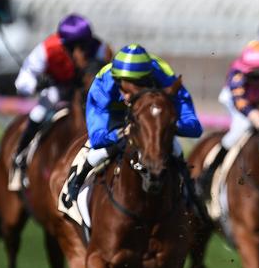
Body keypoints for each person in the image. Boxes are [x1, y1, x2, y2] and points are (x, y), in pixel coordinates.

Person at [62, 44, 202, 208]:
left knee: (175, 149)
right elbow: (98, 138)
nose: (129, 94)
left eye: (137, 85)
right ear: (116, 79)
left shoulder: (165, 77)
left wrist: (164, 126)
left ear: (148, 79)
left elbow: (194, 127)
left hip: (147, 115)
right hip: (114, 115)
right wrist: (120, 133)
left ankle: (189, 192)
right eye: (125, 86)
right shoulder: (102, 86)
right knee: (97, 152)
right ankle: (77, 182)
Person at [13, 13, 112, 179]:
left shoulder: (99, 48)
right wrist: (37, 84)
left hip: (87, 91)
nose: (82, 51)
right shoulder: (47, 49)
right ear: (65, 44)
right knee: (40, 112)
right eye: (75, 46)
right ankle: (20, 154)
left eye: (84, 45)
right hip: (58, 89)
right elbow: (22, 81)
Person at [198, 40, 259, 194]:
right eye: (254, 76)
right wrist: (251, 113)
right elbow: (239, 100)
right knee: (239, 130)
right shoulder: (237, 74)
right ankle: (208, 174)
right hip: (240, 101)